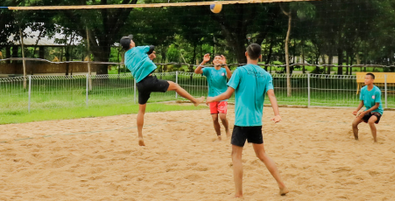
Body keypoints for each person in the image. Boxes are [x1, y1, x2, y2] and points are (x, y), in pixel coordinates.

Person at [207, 43, 289, 197]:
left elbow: (226, 95)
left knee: (236, 156)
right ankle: (282, 185)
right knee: (262, 154)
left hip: (242, 122)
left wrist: (212, 98)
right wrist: (277, 114)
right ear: (260, 56)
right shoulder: (266, 75)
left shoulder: (240, 71)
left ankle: (239, 194)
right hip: (256, 122)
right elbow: (271, 95)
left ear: (246, 54)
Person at [121, 35, 202, 146]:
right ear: (130, 44)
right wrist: (150, 51)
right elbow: (151, 46)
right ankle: (195, 101)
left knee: (141, 111)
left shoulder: (126, 58)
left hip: (140, 84)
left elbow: (139, 64)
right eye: (132, 40)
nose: (133, 41)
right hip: (149, 80)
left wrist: (149, 58)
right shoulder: (137, 49)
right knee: (175, 86)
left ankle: (140, 135)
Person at [195, 53, 231, 141]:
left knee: (222, 116)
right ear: (213, 61)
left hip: (222, 96)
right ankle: (219, 136)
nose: (218, 59)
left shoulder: (224, 70)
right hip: (211, 97)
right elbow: (196, 71)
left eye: (220, 58)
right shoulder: (208, 70)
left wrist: (225, 64)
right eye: (216, 58)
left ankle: (227, 129)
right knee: (215, 118)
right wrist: (203, 61)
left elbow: (230, 77)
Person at [351, 73, 384, 142]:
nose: (365, 80)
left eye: (367, 78)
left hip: (377, 111)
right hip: (367, 110)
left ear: (372, 80)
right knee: (354, 123)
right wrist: (357, 110)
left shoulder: (377, 91)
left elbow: (376, 105)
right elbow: (362, 102)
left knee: (371, 121)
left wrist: (364, 112)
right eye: (365, 78)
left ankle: (375, 141)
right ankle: (356, 139)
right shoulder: (363, 89)